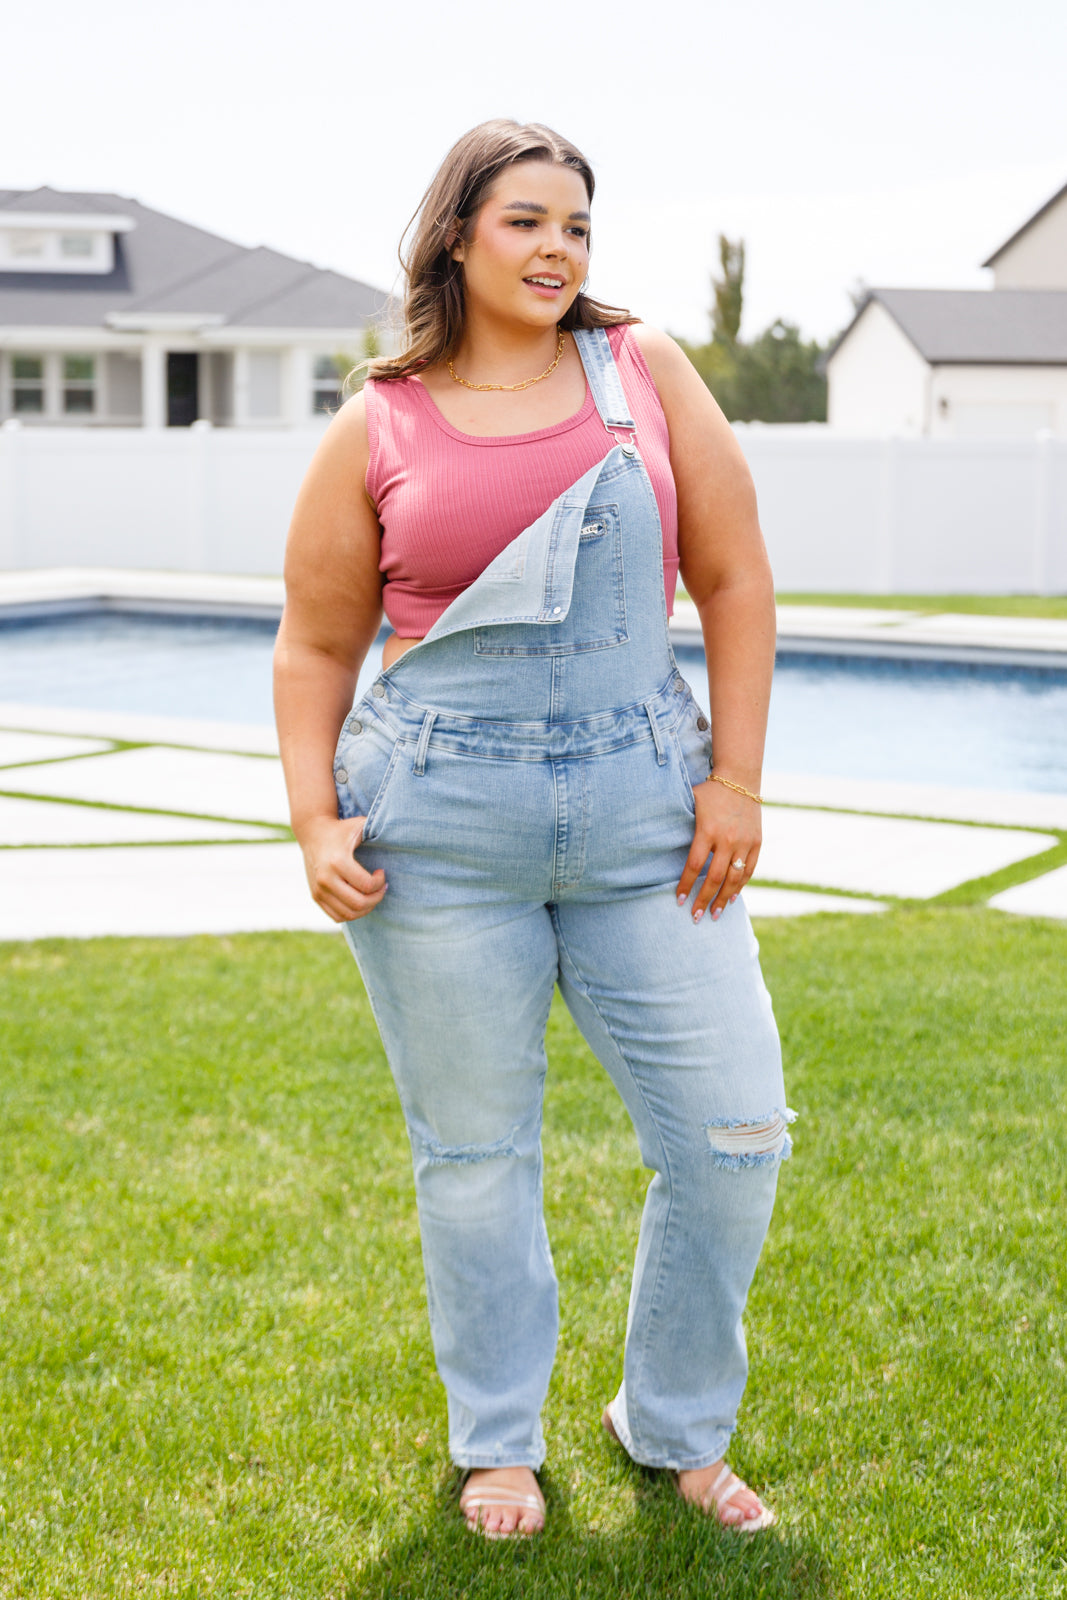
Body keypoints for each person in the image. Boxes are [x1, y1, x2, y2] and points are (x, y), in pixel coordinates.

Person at [273, 119, 792, 1541]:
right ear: (456, 235)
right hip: (437, 831)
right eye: (525, 221)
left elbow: (736, 580)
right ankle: (498, 1439)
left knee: (736, 1134)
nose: (558, 247)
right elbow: (317, 645)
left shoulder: (644, 375)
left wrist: (734, 781)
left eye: (576, 224)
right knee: (477, 1154)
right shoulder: (379, 418)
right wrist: (315, 819)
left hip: (647, 824)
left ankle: (670, 1423)